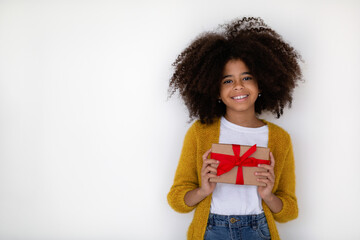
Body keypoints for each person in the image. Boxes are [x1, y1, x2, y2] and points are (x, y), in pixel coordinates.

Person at [167, 17, 302, 240]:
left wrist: (268, 195)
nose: (238, 86)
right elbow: (177, 201)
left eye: (246, 77)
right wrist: (203, 190)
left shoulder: (280, 139)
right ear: (215, 89)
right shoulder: (200, 133)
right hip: (211, 230)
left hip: (258, 230)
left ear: (262, 83)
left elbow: (289, 211)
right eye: (227, 80)